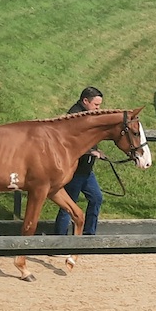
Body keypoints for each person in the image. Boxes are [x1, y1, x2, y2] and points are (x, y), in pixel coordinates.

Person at [55, 86, 106, 236]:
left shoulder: (86, 115)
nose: (98, 108)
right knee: (68, 205)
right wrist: (91, 152)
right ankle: (58, 241)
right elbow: (71, 144)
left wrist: (96, 151)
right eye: (96, 105)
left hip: (86, 170)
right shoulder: (74, 117)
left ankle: (88, 236)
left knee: (96, 198)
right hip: (74, 170)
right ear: (85, 101)